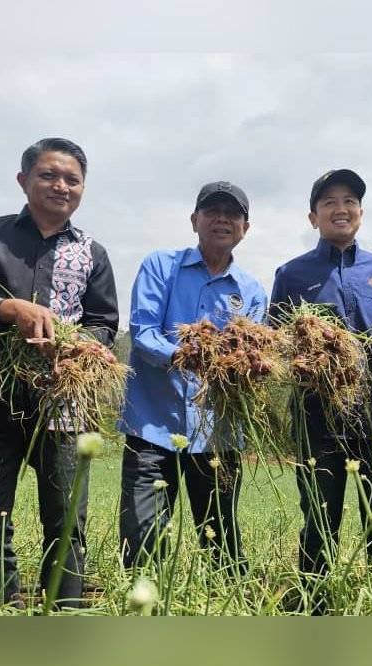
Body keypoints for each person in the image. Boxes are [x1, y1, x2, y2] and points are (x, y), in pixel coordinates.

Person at [0, 138, 119, 608]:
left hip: (61, 406)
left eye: (72, 179)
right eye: (48, 175)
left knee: (66, 522)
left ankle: (64, 612)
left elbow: (104, 322)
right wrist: (6, 308)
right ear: (24, 180)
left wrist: (80, 347)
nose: (61, 186)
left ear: (83, 188)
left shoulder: (92, 253)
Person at [270, 169, 372, 609]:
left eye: (349, 201)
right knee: (318, 520)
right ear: (313, 217)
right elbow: (276, 344)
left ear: (361, 213)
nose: (340, 208)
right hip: (317, 420)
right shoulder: (291, 274)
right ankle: (315, 605)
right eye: (329, 202)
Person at [119, 181, 266, 573]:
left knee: (220, 538)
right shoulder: (160, 266)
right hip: (152, 426)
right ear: (194, 220)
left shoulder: (251, 290)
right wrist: (193, 357)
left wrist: (244, 365)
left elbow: (251, 353)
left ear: (245, 228)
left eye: (232, 213)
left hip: (218, 431)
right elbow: (144, 333)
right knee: (142, 536)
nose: (222, 219)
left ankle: (228, 610)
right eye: (212, 210)